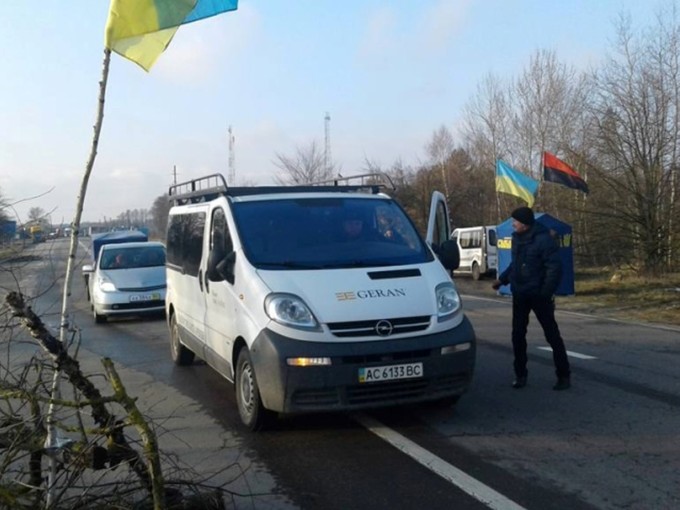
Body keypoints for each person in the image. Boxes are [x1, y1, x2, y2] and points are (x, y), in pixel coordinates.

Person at [492, 206, 571, 391]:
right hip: (520, 293)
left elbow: (554, 268)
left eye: (516, 222)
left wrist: (545, 292)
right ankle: (520, 375)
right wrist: (502, 280)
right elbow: (516, 264)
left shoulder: (544, 240)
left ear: (525, 225)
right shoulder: (517, 238)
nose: (513, 224)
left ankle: (564, 375)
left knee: (552, 336)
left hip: (539, 295)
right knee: (517, 335)